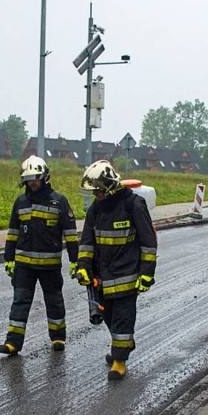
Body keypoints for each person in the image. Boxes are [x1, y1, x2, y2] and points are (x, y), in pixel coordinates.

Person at [75, 160, 157, 380]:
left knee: (122, 318)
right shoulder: (95, 209)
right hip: (102, 278)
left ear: (109, 186)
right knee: (109, 318)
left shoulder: (134, 205)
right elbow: (86, 242)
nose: (96, 195)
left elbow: (148, 243)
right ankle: (122, 345)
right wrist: (83, 267)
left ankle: (119, 361)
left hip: (127, 276)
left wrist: (147, 273)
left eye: (98, 191)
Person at [0, 156, 79, 356]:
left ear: (44, 177)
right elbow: (12, 233)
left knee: (54, 302)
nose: (32, 182)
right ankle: (13, 343)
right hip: (24, 266)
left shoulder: (59, 201)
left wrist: (75, 261)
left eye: (36, 178)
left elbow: (70, 234)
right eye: (29, 179)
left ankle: (58, 337)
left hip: (49, 266)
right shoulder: (20, 202)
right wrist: (8, 259)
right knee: (20, 302)